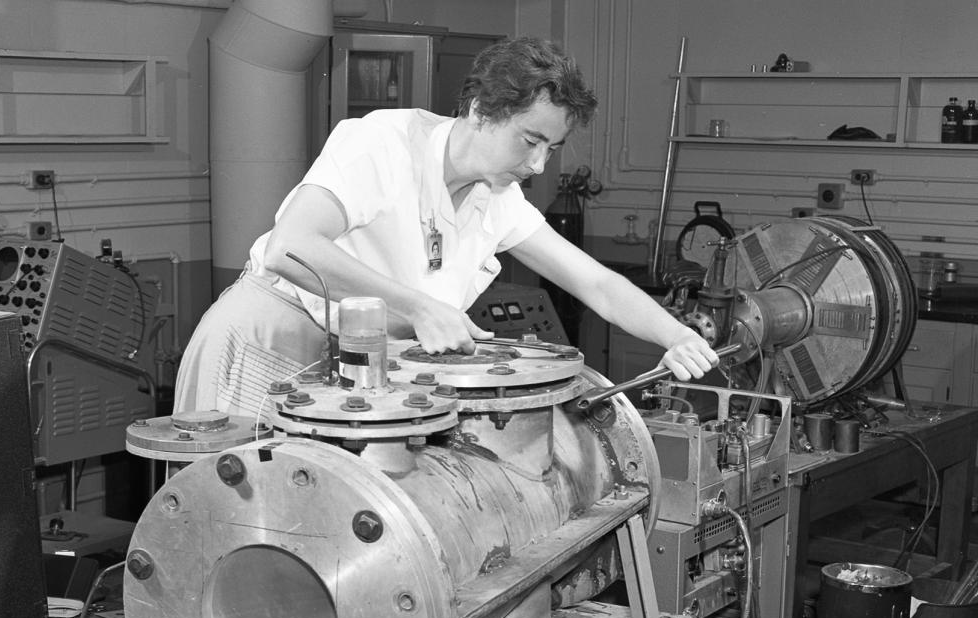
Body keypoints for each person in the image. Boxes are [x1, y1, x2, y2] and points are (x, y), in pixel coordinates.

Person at [174, 36, 718, 417]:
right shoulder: (381, 143)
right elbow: (290, 248)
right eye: (530, 142)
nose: (537, 166)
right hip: (267, 342)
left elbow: (595, 283)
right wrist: (421, 308)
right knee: (229, 534)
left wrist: (675, 335)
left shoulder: (495, 195)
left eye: (551, 150)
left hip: (355, 368)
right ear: (481, 110)